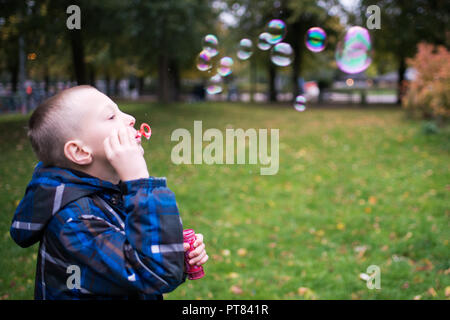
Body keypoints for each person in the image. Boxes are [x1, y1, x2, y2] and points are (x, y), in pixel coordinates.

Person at [10, 85, 208, 299]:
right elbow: (154, 273)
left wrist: (176, 253)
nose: (131, 118)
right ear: (79, 151)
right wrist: (139, 179)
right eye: (111, 116)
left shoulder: (111, 194)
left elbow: (139, 261)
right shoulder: (74, 222)